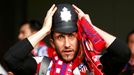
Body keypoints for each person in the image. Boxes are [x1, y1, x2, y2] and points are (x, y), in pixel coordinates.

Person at [4, 4, 130, 75]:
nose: (67, 44)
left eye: (71, 36)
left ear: (79, 38)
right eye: (60, 37)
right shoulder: (42, 64)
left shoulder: (94, 64)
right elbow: (11, 59)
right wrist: (44, 30)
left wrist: (90, 27)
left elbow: (123, 53)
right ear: (52, 43)